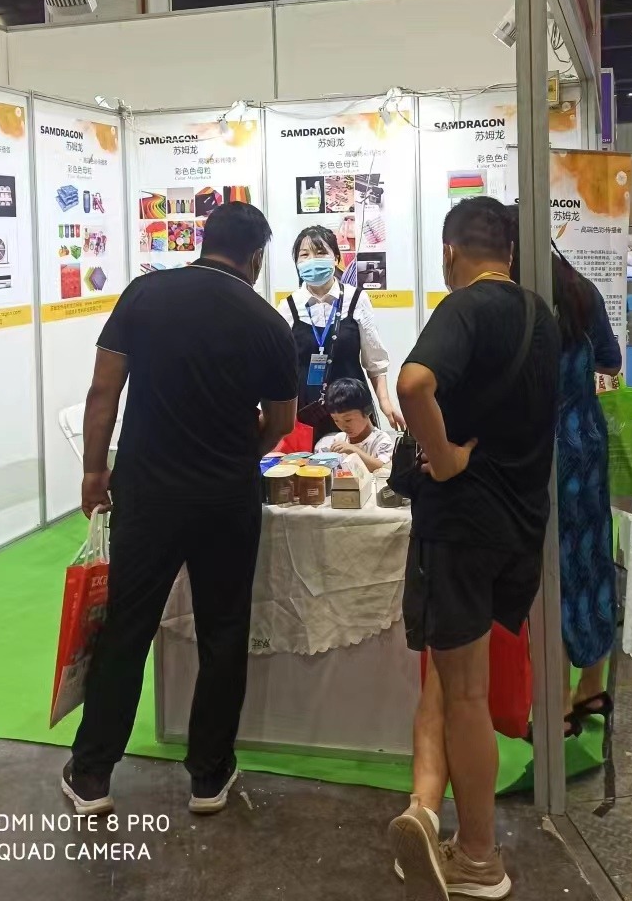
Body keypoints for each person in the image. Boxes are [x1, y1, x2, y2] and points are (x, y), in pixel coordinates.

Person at [62, 203, 298, 816]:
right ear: (255, 257)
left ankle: (92, 774)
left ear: (203, 240)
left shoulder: (144, 295)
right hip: (227, 499)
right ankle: (208, 777)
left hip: (148, 494)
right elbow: (282, 422)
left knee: (128, 628)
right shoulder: (269, 323)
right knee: (223, 631)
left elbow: (103, 391)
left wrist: (93, 471)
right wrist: (237, 453)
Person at [387, 197, 560, 901]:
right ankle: (425, 810)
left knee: (465, 693)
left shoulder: (464, 307)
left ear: (450, 252)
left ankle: (481, 857)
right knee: (450, 679)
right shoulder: (540, 316)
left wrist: (443, 457)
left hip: (460, 527)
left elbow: (413, 382)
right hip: (519, 527)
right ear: (511, 253)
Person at [508, 224, 623, 735]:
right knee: (591, 563)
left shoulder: (513, 301)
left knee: (544, 574)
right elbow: (610, 362)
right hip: (583, 445)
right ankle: (591, 687)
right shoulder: (580, 289)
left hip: (532, 450)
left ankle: (553, 706)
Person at [278, 225, 402, 437]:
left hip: (352, 404)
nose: (312, 260)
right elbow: (279, 367)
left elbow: (375, 361)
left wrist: (385, 403)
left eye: (320, 253)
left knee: (355, 456)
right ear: (297, 263)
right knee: (308, 457)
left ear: (335, 257)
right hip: (307, 407)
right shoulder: (288, 306)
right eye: (304, 255)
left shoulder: (356, 299)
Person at [315, 377, 396, 473]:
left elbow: (383, 468)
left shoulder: (381, 440)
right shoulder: (339, 439)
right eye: (336, 420)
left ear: (367, 411)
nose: (343, 426)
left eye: (348, 420)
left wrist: (354, 451)